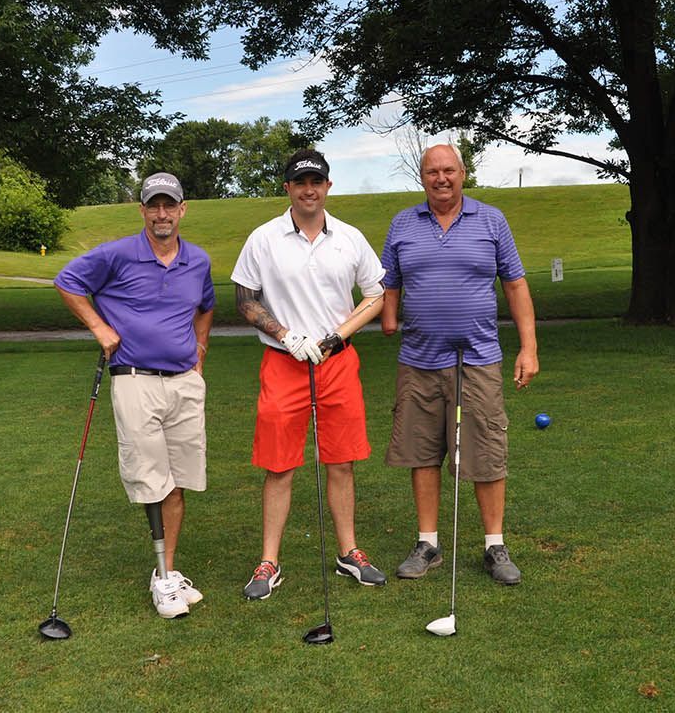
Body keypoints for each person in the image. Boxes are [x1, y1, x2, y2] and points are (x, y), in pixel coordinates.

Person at [54, 172, 214, 619]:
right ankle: (164, 579)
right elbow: (67, 281)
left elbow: (205, 307)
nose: (162, 214)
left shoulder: (197, 261)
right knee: (150, 478)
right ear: (141, 210)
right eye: (153, 205)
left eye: (170, 205)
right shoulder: (117, 254)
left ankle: (167, 572)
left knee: (179, 478)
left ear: (183, 210)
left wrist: (199, 354)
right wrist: (100, 327)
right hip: (135, 379)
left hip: (183, 382)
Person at [231, 148, 388, 600]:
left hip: (337, 361)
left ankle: (349, 551)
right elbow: (245, 299)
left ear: (328, 186)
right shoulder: (263, 238)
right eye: (300, 183)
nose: (309, 190)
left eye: (316, 182)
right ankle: (269, 561)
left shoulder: (350, 238)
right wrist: (285, 334)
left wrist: (338, 335)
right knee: (279, 463)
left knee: (341, 459)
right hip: (284, 362)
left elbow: (375, 295)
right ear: (288, 188)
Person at [380, 144, 539, 585]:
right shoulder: (402, 224)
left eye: (449, 170)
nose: (441, 178)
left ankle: (494, 546)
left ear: (462, 173)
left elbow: (516, 285)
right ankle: (427, 542)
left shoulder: (491, 220)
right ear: (422, 177)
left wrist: (529, 348)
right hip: (419, 360)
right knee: (423, 451)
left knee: (486, 450)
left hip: (479, 359)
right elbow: (389, 282)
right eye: (432, 171)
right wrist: (389, 318)